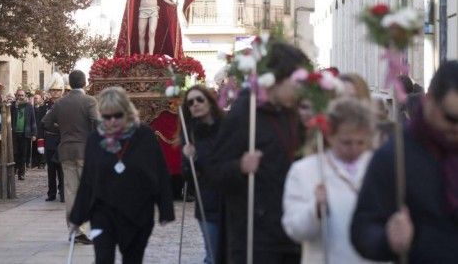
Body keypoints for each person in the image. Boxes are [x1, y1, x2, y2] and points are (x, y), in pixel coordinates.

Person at [207, 42, 311, 264]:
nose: (300, 90)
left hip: (291, 227)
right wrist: (240, 167)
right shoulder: (245, 112)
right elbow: (214, 171)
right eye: (296, 82)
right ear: (276, 79)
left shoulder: (291, 113)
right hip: (256, 236)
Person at [351, 60, 458, 262]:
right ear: (430, 102)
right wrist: (387, 239)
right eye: (452, 119)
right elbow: (363, 229)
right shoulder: (395, 154)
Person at [69, 87, 174, 263]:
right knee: (103, 259)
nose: (112, 121)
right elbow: (88, 180)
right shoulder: (96, 139)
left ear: (127, 112)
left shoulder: (144, 135)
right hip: (103, 212)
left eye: (117, 115)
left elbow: (160, 172)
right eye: (106, 116)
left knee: (132, 259)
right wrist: (76, 218)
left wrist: (165, 209)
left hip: (138, 212)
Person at [282, 98, 381, 264]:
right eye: (346, 142)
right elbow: (293, 229)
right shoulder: (305, 171)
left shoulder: (378, 166)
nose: (354, 149)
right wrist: (315, 209)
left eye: (361, 142)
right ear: (330, 136)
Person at [42, 70, 99, 244]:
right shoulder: (89, 100)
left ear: (70, 84)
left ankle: (76, 230)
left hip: (66, 150)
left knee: (71, 191)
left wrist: (63, 131)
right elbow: (97, 122)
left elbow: (46, 122)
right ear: (84, 83)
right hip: (85, 151)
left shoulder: (60, 103)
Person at [181, 85, 224, 264]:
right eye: (190, 102)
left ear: (210, 101)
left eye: (200, 99)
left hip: (232, 202)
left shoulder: (227, 126)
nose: (195, 104)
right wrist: (188, 159)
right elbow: (189, 178)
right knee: (212, 256)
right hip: (208, 202)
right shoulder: (189, 134)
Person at [42, 73, 65, 202]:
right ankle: (51, 193)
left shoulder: (64, 104)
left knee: (61, 168)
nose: (55, 93)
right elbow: (41, 123)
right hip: (49, 139)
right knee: (50, 169)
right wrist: (40, 142)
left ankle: (63, 192)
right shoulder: (46, 106)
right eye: (53, 90)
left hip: (61, 138)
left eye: (57, 90)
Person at [10, 89, 37, 180]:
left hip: (25, 133)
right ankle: (15, 170)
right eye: (19, 95)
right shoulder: (13, 106)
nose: (20, 97)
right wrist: (15, 107)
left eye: (22, 95)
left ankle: (21, 173)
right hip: (14, 133)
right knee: (15, 153)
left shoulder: (29, 106)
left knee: (23, 154)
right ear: (16, 96)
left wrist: (34, 133)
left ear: (25, 96)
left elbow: (33, 120)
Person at [32, 93, 47, 169]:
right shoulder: (32, 108)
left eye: (37, 98)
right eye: (34, 98)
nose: (35, 100)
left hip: (41, 130)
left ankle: (42, 162)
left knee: (41, 146)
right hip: (34, 130)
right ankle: (35, 162)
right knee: (34, 146)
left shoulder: (44, 108)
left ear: (40, 99)